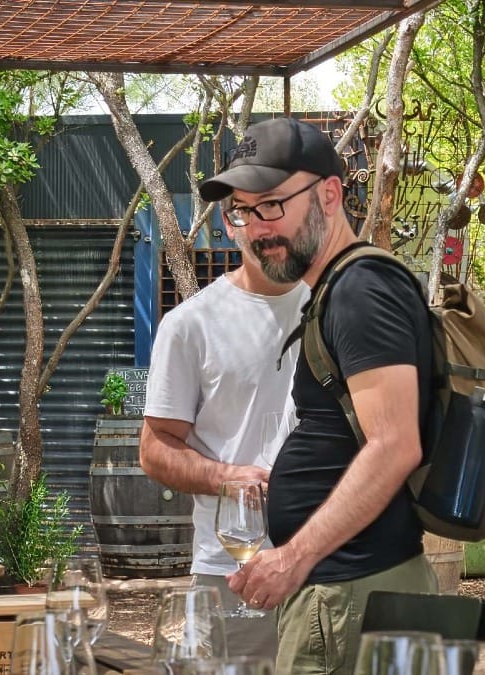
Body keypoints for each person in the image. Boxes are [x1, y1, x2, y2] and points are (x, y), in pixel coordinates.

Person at [201, 117, 437, 674]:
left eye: (271, 206)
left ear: (330, 195)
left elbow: (394, 443)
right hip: (343, 595)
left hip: (348, 597)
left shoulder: (360, 290)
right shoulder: (341, 287)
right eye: (242, 211)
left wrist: (292, 558)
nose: (256, 229)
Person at [139, 211, 308, 659]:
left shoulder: (337, 307)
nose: (266, 227)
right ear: (229, 226)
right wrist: (230, 478)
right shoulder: (192, 324)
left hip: (333, 563)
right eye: (246, 214)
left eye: (277, 207)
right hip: (237, 569)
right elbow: (154, 449)